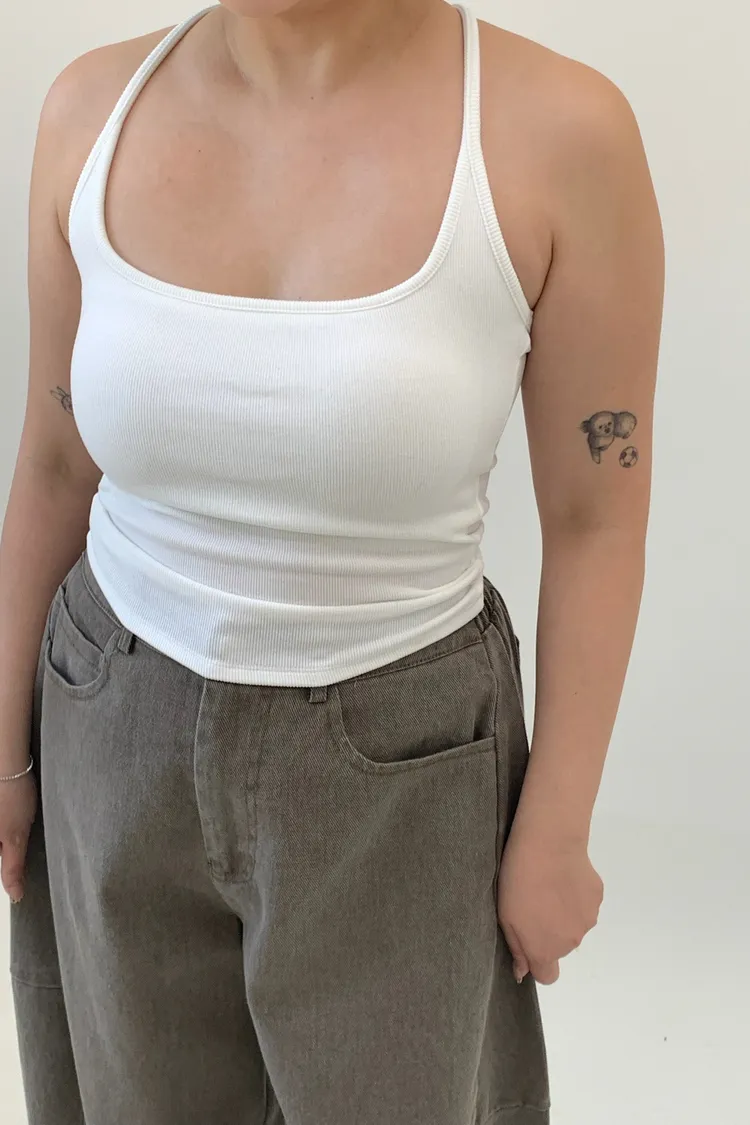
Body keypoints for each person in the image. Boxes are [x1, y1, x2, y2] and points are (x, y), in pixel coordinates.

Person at [0, 0, 664, 1122]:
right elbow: (57, 460)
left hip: (403, 760)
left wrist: (558, 823)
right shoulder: (90, 111)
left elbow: (598, 514)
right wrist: (7, 750)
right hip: (110, 724)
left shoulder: (559, 132)